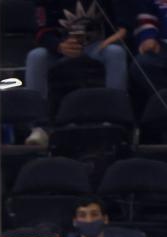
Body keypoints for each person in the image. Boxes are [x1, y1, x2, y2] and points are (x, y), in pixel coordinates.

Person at [24, 0, 130, 145]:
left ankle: (114, 119)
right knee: (36, 56)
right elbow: (40, 31)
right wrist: (59, 46)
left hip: (97, 46)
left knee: (115, 53)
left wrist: (118, 33)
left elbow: (122, 19)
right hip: (60, 48)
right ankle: (39, 126)